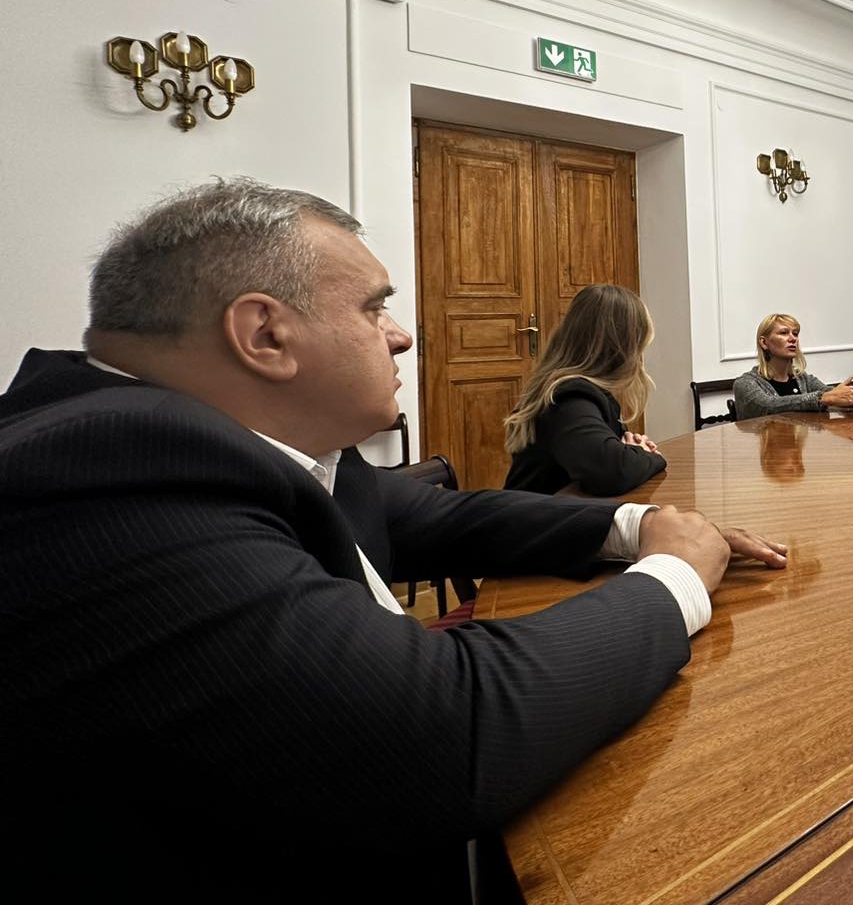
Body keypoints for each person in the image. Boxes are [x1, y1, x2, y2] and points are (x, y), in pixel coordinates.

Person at [0, 178, 786, 903]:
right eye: (375, 309)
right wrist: (675, 577)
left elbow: (436, 518)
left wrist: (639, 524)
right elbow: (445, 734)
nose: (403, 337)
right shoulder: (105, 470)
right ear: (264, 334)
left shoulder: (234, 441)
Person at [503, 284, 666, 496]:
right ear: (622, 348)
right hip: (533, 517)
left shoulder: (576, 391)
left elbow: (608, 460)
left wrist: (630, 453)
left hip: (549, 511)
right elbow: (612, 472)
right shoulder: (569, 399)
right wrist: (643, 455)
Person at [733, 313, 853, 419]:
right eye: (783, 333)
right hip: (764, 448)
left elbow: (831, 394)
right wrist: (822, 398)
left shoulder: (803, 379)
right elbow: (768, 406)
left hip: (798, 446)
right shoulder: (745, 383)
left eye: (795, 333)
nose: (793, 338)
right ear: (764, 343)